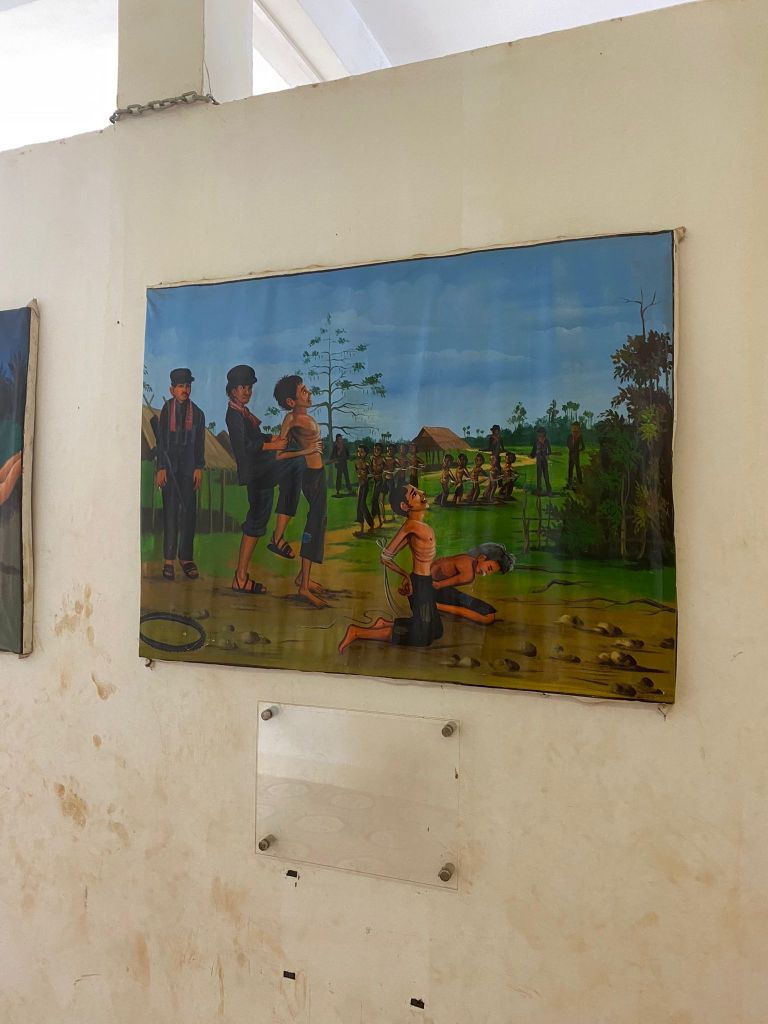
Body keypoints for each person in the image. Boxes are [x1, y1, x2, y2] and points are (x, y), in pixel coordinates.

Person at [225, 364, 309, 595]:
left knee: (257, 520)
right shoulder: (233, 415)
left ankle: (242, 575)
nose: (247, 392)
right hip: (257, 472)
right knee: (295, 464)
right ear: (232, 391)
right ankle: (274, 542)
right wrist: (272, 445)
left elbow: (253, 436)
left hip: (261, 470)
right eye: (242, 388)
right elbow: (245, 446)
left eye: (249, 388)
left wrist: (270, 437)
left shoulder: (242, 413)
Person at [338, 483, 442, 653]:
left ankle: (384, 624)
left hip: (426, 582)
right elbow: (385, 557)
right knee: (423, 636)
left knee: (436, 631)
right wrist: (405, 575)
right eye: (414, 494)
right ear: (405, 506)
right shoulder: (410, 526)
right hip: (419, 585)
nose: (422, 493)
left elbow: (388, 556)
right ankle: (357, 632)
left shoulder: (418, 525)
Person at [274, 375, 328, 608]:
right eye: (303, 391)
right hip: (311, 477)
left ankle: (302, 577)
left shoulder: (305, 416)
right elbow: (279, 454)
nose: (309, 393)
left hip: (319, 474)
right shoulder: (291, 418)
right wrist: (306, 451)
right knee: (313, 527)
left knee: (319, 524)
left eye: (307, 389)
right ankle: (304, 586)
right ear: (290, 401)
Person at [155, 368, 206, 581]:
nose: (185, 389)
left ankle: (186, 558)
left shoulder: (198, 414)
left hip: (189, 470)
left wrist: (198, 467)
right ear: (172, 390)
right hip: (169, 468)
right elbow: (161, 442)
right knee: (170, 513)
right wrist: (161, 467)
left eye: (187, 386)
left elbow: (200, 444)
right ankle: (168, 560)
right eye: (180, 386)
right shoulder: (166, 410)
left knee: (188, 514)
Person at [431, 542, 515, 625]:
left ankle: (438, 605)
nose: (487, 573)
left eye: (491, 572)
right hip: (432, 587)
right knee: (488, 617)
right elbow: (437, 585)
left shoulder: (467, 558)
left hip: (434, 584)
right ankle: (437, 606)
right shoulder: (469, 575)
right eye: (489, 568)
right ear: (481, 558)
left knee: (486, 611)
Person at [354, 443, 374, 536]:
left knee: (362, 505)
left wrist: (366, 476)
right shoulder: (356, 463)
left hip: (365, 486)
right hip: (360, 486)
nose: (359, 453)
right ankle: (361, 529)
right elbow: (357, 473)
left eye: (362, 451)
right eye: (358, 451)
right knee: (359, 506)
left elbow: (371, 474)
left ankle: (371, 525)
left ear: (365, 453)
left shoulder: (367, 463)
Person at [530, 427, 553, 496]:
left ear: (544, 433)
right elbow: (533, 451)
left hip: (544, 461)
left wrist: (546, 454)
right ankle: (538, 490)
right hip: (539, 461)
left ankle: (549, 491)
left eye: (541, 432)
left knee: (546, 476)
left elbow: (549, 451)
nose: (540, 434)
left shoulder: (547, 441)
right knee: (539, 476)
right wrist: (532, 455)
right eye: (539, 433)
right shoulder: (536, 441)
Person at [370, 442, 386, 528]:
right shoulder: (371, 458)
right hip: (375, 481)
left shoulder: (383, 459)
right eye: (375, 449)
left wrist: (382, 474)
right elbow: (370, 469)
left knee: (374, 500)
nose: (376, 451)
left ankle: (377, 521)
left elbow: (387, 469)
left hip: (381, 481)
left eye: (378, 449)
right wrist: (372, 474)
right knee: (374, 501)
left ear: (381, 450)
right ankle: (376, 521)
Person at [566, 421, 585, 487]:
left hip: (576, 455)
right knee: (570, 469)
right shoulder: (570, 436)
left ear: (578, 428)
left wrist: (578, 450)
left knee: (578, 468)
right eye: (573, 427)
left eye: (576, 427)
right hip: (571, 455)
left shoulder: (580, 436)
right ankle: (570, 483)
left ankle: (580, 482)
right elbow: (568, 444)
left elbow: (583, 447)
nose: (574, 429)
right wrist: (572, 449)